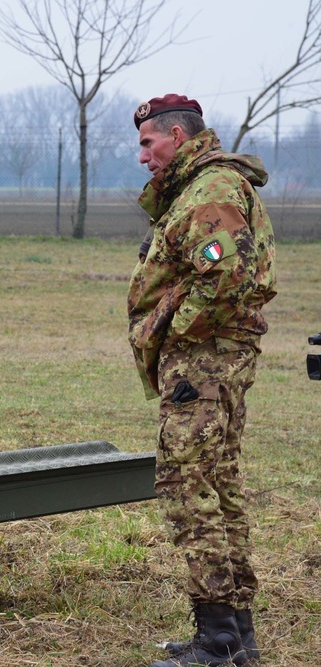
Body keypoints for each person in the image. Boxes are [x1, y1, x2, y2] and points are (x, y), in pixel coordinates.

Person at [129, 94, 277, 667]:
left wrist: (173, 331)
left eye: (149, 144)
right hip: (210, 358)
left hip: (202, 360)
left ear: (178, 136)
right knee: (219, 483)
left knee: (187, 485)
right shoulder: (200, 188)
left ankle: (216, 638)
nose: (143, 157)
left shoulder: (210, 190)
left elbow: (225, 278)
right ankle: (237, 633)